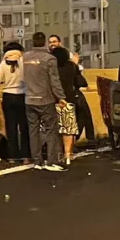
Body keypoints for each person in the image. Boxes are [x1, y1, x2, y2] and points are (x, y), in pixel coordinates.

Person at [23, 32, 68, 170]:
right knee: (51, 130)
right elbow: (54, 81)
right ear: (44, 43)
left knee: (33, 130)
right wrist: (61, 97)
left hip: (29, 99)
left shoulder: (25, 57)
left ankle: (37, 161)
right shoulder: (49, 59)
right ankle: (51, 161)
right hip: (45, 99)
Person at [0, 42, 29, 162]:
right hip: (22, 96)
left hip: (8, 97)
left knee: (10, 127)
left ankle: (12, 156)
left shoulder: (4, 63)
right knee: (24, 128)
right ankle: (26, 156)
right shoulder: (24, 61)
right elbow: (28, 78)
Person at [52, 46, 84, 165]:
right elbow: (79, 81)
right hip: (68, 101)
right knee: (68, 129)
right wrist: (75, 63)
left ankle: (57, 154)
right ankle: (68, 155)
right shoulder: (71, 67)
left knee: (54, 130)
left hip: (53, 101)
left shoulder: (52, 68)